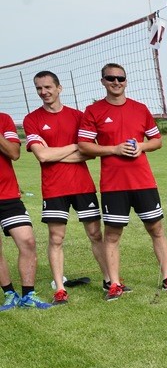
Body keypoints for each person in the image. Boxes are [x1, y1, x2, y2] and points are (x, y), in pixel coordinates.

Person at [78, 63, 167, 300]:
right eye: (111, 78)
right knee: (112, 234)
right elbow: (84, 145)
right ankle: (114, 284)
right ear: (102, 81)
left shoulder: (140, 109)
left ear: (126, 81)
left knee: (156, 229)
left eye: (120, 78)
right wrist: (114, 149)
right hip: (114, 185)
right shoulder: (93, 111)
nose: (116, 82)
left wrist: (142, 146)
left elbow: (156, 140)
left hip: (143, 181)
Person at [24, 70, 108, 303]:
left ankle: (109, 281)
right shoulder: (32, 119)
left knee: (95, 234)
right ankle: (60, 289)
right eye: (39, 88)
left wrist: (54, 153)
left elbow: (88, 153)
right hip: (54, 188)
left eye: (48, 87)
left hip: (82, 185)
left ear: (59, 88)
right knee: (56, 238)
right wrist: (73, 146)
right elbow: (42, 156)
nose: (44, 92)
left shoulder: (78, 116)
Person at [1, 110, 52, 309]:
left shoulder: (3, 119)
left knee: (27, 241)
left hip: (7, 195)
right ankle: (9, 294)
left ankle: (28, 295)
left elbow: (14, 153)